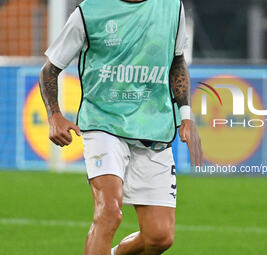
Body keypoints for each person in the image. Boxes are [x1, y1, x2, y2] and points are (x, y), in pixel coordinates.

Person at [39, 0, 203, 254]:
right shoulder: (90, 11)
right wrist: (54, 116)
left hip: (154, 128)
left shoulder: (172, 7)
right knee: (109, 213)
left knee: (160, 237)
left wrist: (186, 115)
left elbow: (177, 60)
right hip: (104, 123)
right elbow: (49, 70)